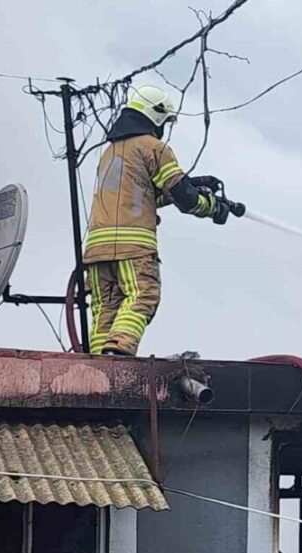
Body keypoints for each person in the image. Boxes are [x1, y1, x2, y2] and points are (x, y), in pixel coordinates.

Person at [82, 85, 230, 356]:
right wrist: (212, 207)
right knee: (142, 295)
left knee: (107, 308)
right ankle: (119, 351)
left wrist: (193, 183)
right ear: (157, 115)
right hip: (133, 246)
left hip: (96, 249)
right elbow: (185, 199)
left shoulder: (110, 153)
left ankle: (100, 365)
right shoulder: (154, 148)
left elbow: (141, 195)